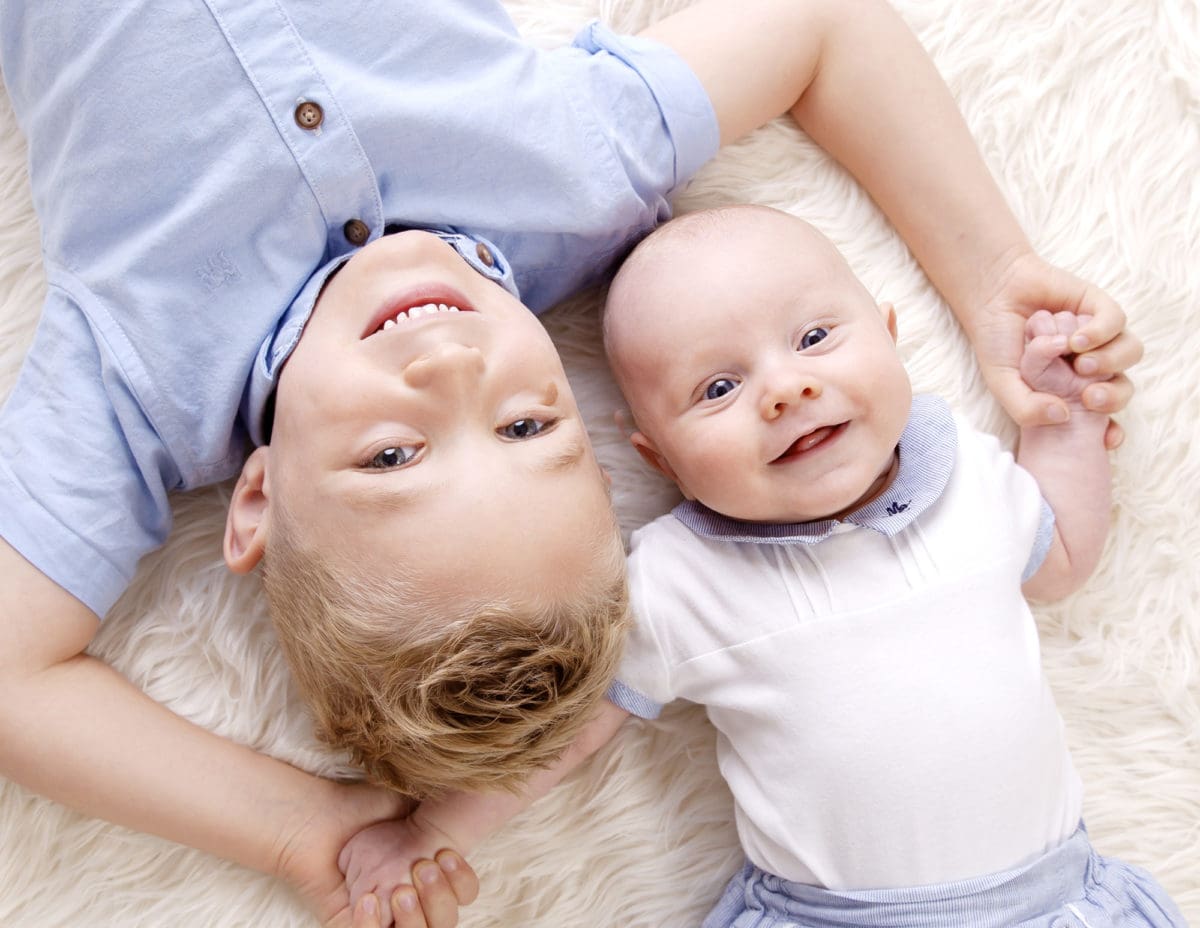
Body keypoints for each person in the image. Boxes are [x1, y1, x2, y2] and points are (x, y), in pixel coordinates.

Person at [0, 0, 1141, 924]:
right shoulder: (569, 176)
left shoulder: (140, 379)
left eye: (393, 454)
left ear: (258, 499)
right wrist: (996, 280)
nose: (448, 364)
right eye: (528, 426)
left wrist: (304, 828)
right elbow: (820, 24)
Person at [336, 207, 1182, 928]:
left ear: (889, 339)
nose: (785, 390)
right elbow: (566, 741)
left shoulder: (965, 478)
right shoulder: (681, 581)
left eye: (815, 338)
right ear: (658, 458)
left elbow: (1062, 558)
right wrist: (429, 835)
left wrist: (1064, 419)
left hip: (1054, 900)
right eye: (717, 390)